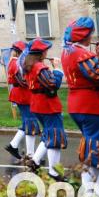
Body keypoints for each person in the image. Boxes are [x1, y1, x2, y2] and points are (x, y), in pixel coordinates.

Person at [62, 17, 99, 197]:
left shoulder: (70, 51)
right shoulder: (80, 53)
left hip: (80, 104)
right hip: (92, 106)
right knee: (98, 148)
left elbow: (91, 73)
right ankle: (90, 190)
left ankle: (98, 187)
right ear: (87, 35)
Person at [24, 38, 67, 181]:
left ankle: (35, 161)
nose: (47, 52)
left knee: (49, 134)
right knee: (55, 136)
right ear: (41, 53)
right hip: (48, 105)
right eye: (46, 50)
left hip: (37, 104)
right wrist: (57, 69)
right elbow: (53, 84)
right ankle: (54, 173)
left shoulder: (29, 66)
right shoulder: (39, 67)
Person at [4, 41, 42, 162]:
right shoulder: (17, 64)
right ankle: (31, 155)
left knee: (27, 122)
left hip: (21, 93)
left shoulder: (14, 62)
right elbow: (24, 81)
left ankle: (13, 145)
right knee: (31, 123)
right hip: (23, 94)